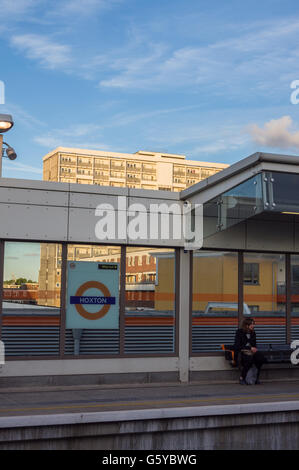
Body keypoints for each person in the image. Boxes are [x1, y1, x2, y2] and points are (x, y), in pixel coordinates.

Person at [234, 317, 266, 385]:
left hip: (251, 352)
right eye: (251, 324)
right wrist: (249, 348)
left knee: (261, 358)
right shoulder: (239, 332)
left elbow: (254, 345)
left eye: (253, 324)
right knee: (249, 359)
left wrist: (254, 349)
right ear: (246, 325)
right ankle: (242, 378)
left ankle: (256, 378)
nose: (253, 326)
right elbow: (237, 346)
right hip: (241, 352)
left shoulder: (253, 333)